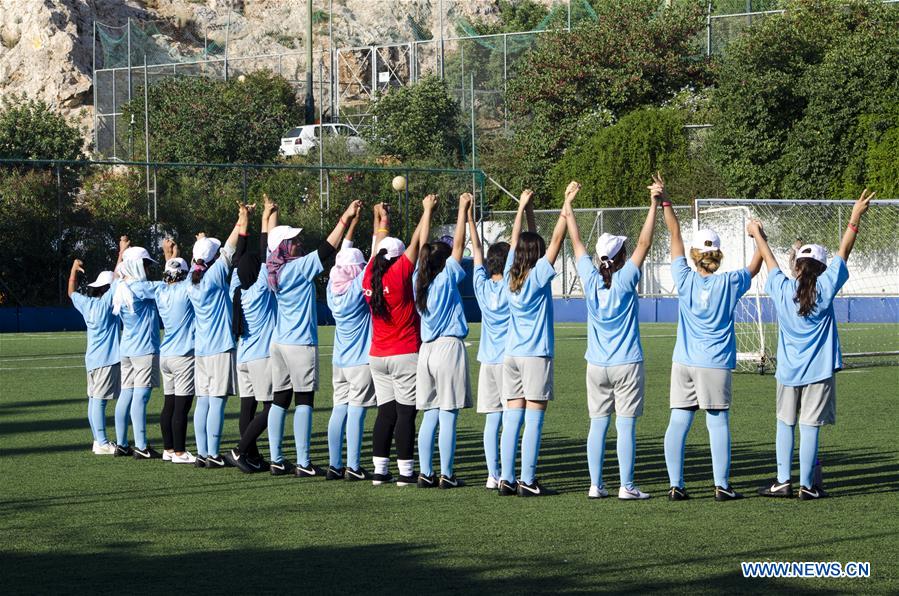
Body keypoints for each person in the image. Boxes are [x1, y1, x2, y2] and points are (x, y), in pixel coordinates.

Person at [752, 189, 875, 500]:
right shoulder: (826, 288)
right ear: (821, 269)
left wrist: (758, 234)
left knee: (785, 424)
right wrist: (854, 217)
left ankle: (782, 481)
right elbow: (844, 250)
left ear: (797, 267)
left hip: (788, 372)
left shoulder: (782, 289)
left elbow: (769, 260)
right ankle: (807, 486)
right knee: (809, 427)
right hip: (819, 373)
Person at [564, 174, 663, 500]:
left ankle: (596, 485)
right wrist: (654, 203)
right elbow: (644, 244)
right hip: (627, 363)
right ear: (621, 256)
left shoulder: (591, 278)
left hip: (596, 365)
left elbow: (576, 242)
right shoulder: (625, 279)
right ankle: (627, 486)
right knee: (626, 426)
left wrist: (568, 204)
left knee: (598, 424)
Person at [661, 194, 762, 501]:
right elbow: (755, 266)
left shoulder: (684, 278)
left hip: (683, 362)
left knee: (679, 420)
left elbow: (674, 234)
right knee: (717, 422)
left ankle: (676, 485)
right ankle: (721, 485)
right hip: (714, 362)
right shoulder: (729, 282)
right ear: (718, 255)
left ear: (694, 255)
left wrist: (665, 202)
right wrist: (758, 236)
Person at [266, 200, 363, 477]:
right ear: (283, 248)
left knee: (279, 399)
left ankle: (276, 459)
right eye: (293, 241)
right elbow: (327, 248)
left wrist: (270, 215)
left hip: (279, 342)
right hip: (299, 343)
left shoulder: (272, 267)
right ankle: (303, 462)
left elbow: (271, 241)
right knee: (304, 400)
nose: (298, 242)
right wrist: (345, 217)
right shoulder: (296, 268)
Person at [499, 184, 573, 497]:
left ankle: (506, 478)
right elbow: (555, 241)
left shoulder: (509, 273)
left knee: (512, 419)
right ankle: (527, 481)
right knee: (534, 420)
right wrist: (566, 204)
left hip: (512, 355)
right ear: (536, 256)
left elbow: (520, 239)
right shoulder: (539, 275)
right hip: (535, 355)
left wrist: (523, 208)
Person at [362, 200, 427, 486]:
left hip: (378, 355)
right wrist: (426, 211)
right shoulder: (400, 274)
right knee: (405, 413)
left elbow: (378, 245)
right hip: (404, 353)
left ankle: (379, 470)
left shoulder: (369, 275)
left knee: (385, 413)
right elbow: (417, 241)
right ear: (398, 259)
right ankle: (406, 472)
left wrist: (382, 219)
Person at [413, 193, 473, 489]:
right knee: (448, 414)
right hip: (448, 348)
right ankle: (446, 474)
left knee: (430, 414)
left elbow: (423, 247)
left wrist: (427, 212)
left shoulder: (419, 280)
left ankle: (426, 472)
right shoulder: (445, 278)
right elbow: (459, 245)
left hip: (425, 351)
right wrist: (462, 210)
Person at [188, 203, 249, 468]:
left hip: (201, 349)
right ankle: (213, 453)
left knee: (202, 401)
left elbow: (204, 258)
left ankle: (202, 452)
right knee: (217, 402)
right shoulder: (213, 276)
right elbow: (229, 248)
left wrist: (202, 244)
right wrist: (241, 220)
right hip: (220, 348)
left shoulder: (191, 279)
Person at [467, 198, 520, 489]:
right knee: (510, 419)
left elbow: (475, 250)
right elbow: (515, 244)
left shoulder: (481, 286)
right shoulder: (511, 286)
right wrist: (521, 210)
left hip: (487, 360)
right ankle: (509, 472)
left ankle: (492, 473)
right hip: (508, 360)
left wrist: (468, 217)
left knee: (492, 419)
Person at [223, 196, 279, 473]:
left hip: (243, 357)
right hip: (261, 358)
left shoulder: (236, 289)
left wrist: (245, 221)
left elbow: (238, 257)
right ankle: (241, 450)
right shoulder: (259, 289)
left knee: (247, 408)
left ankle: (251, 457)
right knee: (272, 408)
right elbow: (267, 252)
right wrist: (267, 217)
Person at [324, 205, 375, 481]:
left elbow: (343, 256)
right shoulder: (357, 288)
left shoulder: (332, 289)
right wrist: (379, 222)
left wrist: (352, 222)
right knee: (357, 412)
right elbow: (374, 259)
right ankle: (353, 466)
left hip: (339, 362)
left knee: (338, 410)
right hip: (360, 361)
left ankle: (335, 464)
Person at [112, 237, 162, 459]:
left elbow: (116, 275)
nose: (148, 269)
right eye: (146, 265)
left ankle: (122, 443)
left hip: (127, 349)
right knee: (141, 397)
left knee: (126, 395)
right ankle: (141, 446)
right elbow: (171, 285)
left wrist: (121, 252)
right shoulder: (141, 288)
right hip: (144, 350)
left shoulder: (118, 285)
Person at [152, 239, 197, 464]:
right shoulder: (186, 289)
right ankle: (179, 452)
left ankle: (168, 449)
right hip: (183, 355)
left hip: (166, 354)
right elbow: (192, 275)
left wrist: (170, 255)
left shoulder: (161, 290)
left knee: (169, 404)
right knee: (182, 406)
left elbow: (170, 274)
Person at [69, 261, 119, 455]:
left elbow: (71, 292)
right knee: (99, 401)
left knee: (93, 400)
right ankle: (102, 442)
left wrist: (73, 270)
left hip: (91, 360)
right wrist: (121, 253)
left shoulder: (87, 303)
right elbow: (117, 280)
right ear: (106, 289)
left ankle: (98, 440)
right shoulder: (106, 303)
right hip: (106, 359)